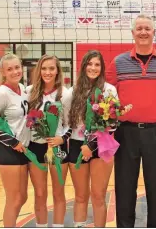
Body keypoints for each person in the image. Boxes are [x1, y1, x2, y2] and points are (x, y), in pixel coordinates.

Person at [106, 14, 156, 227]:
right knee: (125, 186)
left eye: (147, 28)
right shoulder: (118, 62)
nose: (143, 32)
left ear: (154, 33)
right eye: (139, 29)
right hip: (126, 132)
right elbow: (106, 93)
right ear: (133, 34)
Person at [57, 50, 116, 227]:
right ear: (83, 67)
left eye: (97, 64)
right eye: (89, 64)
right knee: (81, 196)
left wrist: (91, 145)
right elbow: (67, 123)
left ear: (102, 68)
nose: (93, 68)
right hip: (77, 145)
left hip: (102, 144)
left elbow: (113, 123)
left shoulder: (109, 90)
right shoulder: (72, 92)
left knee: (98, 196)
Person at [0, 53, 29, 227]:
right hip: (8, 151)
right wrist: (13, 142)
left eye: (17, 67)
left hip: (23, 149)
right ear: (3, 72)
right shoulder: (1, 93)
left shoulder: (23, 89)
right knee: (14, 199)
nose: (14, 71)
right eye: (9, 69)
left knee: (23, 197)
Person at [26, 54, 69, 228]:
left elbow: (70, 123)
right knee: (40, 194)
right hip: (36, 147)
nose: (47, 72)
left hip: (58, 148)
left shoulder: (65, 94)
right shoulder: (29, 92)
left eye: (51, 68)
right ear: (39, 71)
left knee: (59, 194)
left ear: (57, 71)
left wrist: (62, 138)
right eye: (44, 68)